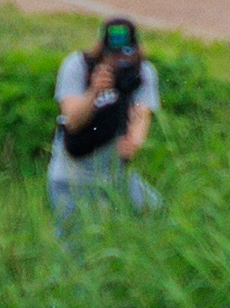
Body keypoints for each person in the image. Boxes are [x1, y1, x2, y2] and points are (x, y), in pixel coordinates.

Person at [49, 17, 162, 235]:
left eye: (125, 53)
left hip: (113, 175)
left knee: (155, 212)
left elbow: (141, 113)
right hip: (72, 177)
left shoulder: (142, 72)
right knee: (75, 246)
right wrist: (94, 92)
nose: (119, 59)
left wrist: (134, 141)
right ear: (101, 48)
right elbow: (72, 120)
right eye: (113, 53)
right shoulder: (78, 66)